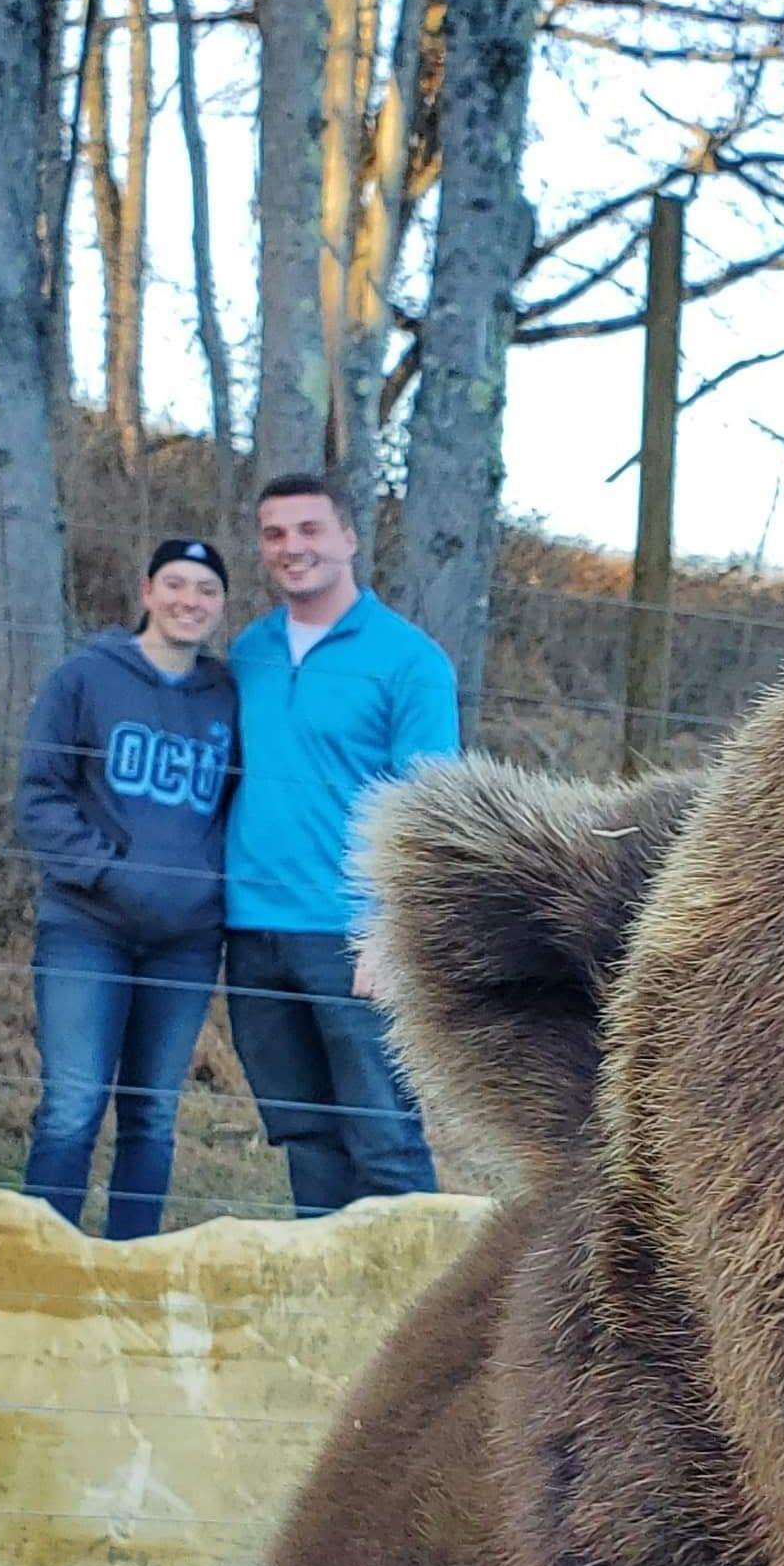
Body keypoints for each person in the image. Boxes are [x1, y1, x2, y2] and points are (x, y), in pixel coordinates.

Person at [220, 470, 460, 1213]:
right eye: (276, 533)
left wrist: (391, 929)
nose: (293, 548)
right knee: (303, 1135)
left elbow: (428, 807)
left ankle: (420, 1316)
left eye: (310, 529)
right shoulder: (247, 653)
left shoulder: (409, 660)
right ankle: (326, 1308)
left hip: (350, 936)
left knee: (382, 1136)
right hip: (254, 930)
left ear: (350, 539)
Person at [10, 536, 240, 1239]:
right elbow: (39, 795)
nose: (189, 601)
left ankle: (128, 1272)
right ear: (146, 592)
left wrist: (209, 885)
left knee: (152, 1113)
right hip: (89, 928)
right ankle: (38, 1274)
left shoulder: (227, 696)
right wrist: (105, 871)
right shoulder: (86, 677)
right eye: (175, 584)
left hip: (186, 942)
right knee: (74, 1105)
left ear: (222, 606)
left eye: (205, 591)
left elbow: (241, 805)